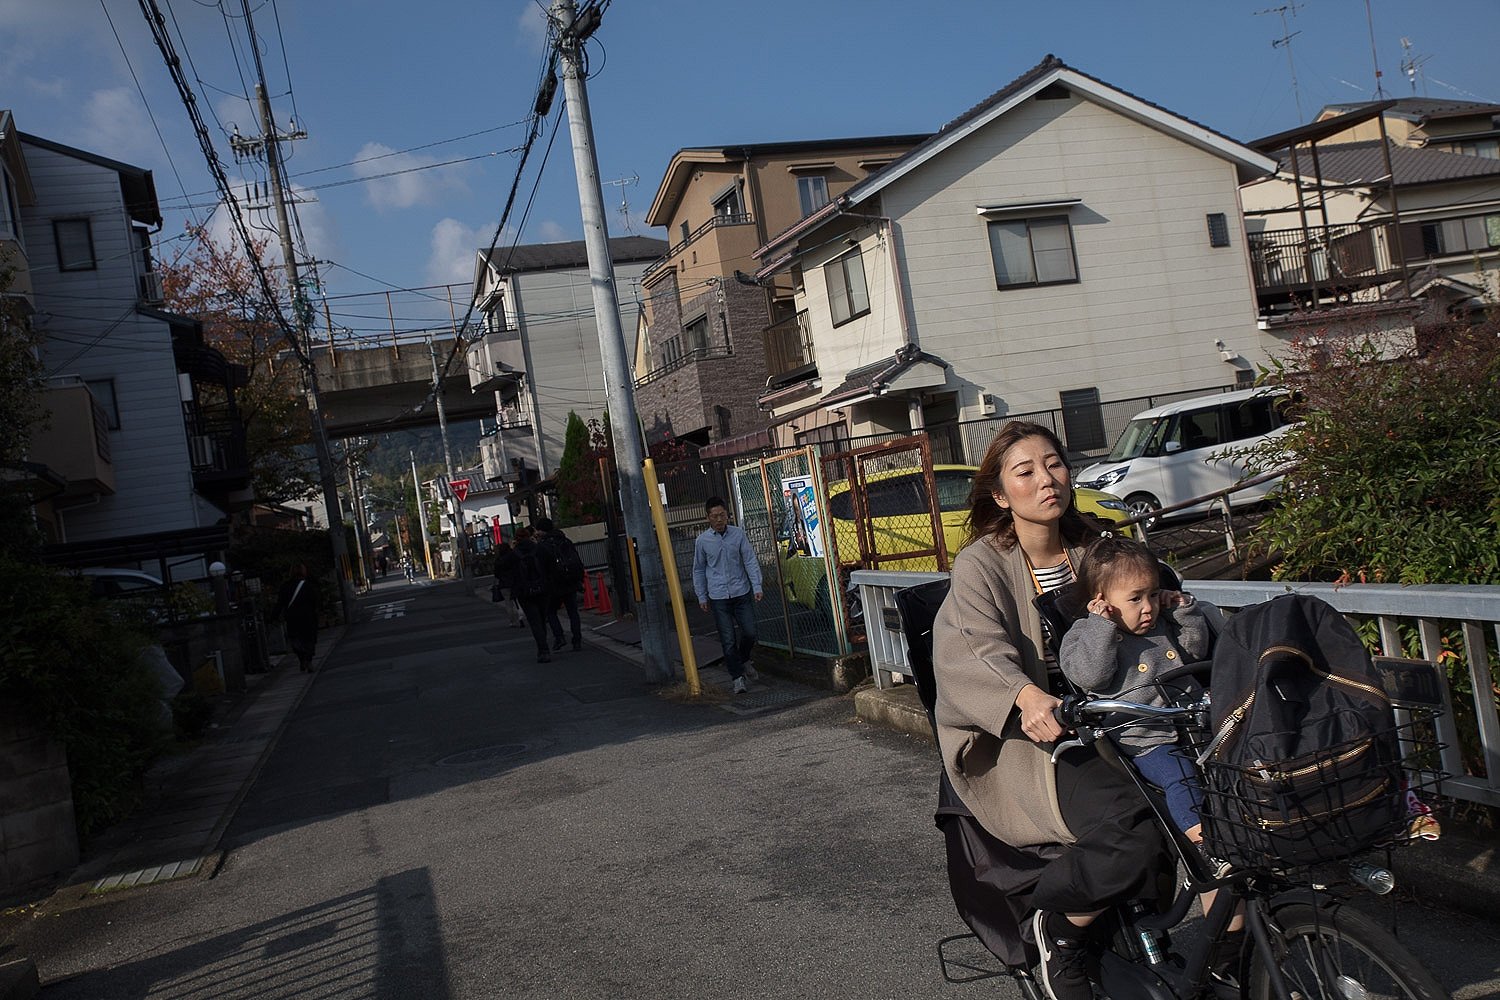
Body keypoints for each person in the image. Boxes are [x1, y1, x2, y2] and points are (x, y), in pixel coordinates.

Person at [931, 422, 1168, 1000]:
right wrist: (1022, 695)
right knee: (1135, 825)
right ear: (998, 493)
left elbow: (1165, 599)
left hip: (1126, 716)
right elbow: (972, 650)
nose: (1046, 480)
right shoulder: (981, 566)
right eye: (1025, 471)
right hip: (1032, 739)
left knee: (1213, 817)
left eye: (1054, 463)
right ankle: (1060, 928)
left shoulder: (1099, 548)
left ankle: (1228, 952)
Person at [1059, 535, 1217, 847]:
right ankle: (1203, 839)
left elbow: (1196, 651)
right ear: (1101, 601)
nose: (1148, 608)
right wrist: (1101, 627)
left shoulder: (1163, 623)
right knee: (1179, 776)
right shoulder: (1085, 635)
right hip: (1145, 737)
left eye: (1154, 594)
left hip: (1193, 722)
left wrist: (1183, 611)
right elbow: (1092, 677)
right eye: (1135, 599)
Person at [692, 496, 762, 694]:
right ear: (708, 518)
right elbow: (698, 569)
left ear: (727, 515)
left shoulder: (738, 535)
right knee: (728, 639)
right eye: (714, 516)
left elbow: (749, 559)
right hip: (718, 595)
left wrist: (757, 585)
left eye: (722, 515)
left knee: (750, 632)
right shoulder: (702, 541)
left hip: (741, 591)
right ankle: (737, 677)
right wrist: (702, 596)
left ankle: (744, 659)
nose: (719, 520)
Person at [535, 516, 584, 652]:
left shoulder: (542, 546)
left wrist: (543, 585)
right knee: (573, 612)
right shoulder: (565, 540)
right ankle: (577, 640)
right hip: (570, 581)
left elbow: (541, 569)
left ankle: (559, 636)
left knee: (550, 612)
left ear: (542, 530)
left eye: (538, 530)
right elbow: (577, 560)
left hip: (553, 585)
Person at [512, 526, 557, 663]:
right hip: (543, 589)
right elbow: (551, 565)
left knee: (534, 621)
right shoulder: (540, 549)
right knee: (542, 619)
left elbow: (507, 572)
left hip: (525, 592)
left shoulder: (514, 553)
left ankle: (543, 650)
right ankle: (544, 647)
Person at [272, 563, 320, 673]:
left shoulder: (285, 587)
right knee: (309, 640)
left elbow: (280, 603)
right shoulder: (309, 586)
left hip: (292, 618)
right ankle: (308, 660)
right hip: (308, 618)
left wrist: (274, 616)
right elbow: (315, 601)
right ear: (304, 572)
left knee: (296, 640)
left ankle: (302, 658)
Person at [493, 538, 526, 629]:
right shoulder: (513, 556)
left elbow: (496, 573)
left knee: (508, 603)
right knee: (518, 601)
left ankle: (512, 621)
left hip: (504, 584)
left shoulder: (498, 560)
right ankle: (521, 616)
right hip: (515, 582)